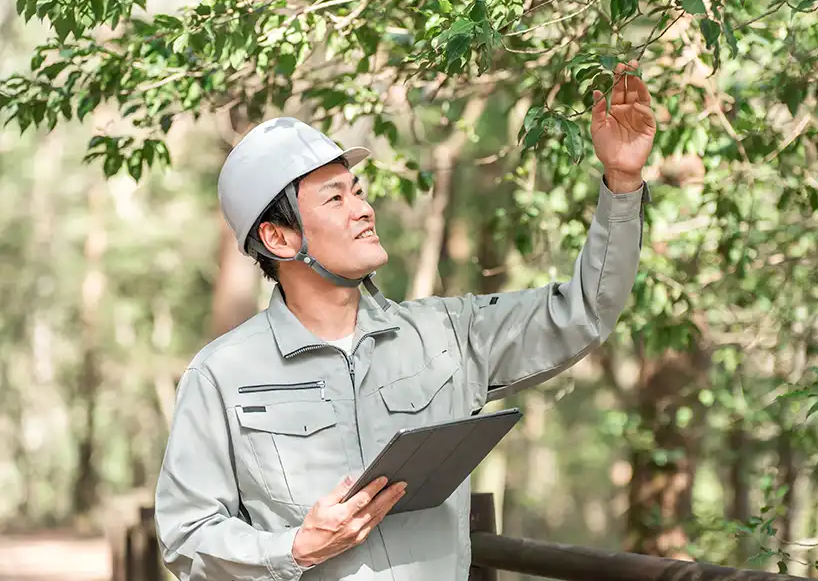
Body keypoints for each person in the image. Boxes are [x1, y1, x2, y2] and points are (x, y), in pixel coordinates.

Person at [154, 60, 656, 581]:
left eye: (358, 191)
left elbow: (582, 312)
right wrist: (296, 548)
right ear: (279, 238)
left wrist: (621, 183)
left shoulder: (447, 335)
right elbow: (187, 536)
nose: (363, 210)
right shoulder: (222, 375)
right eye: (335, 198)